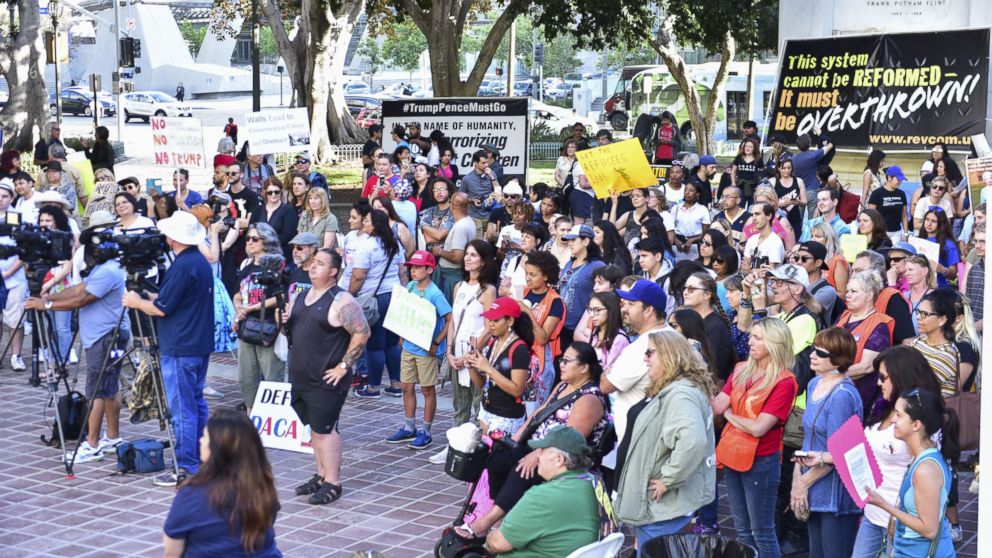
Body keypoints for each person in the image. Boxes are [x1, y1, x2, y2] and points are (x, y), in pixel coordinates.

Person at [461, 341, 608, 539]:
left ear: (584, 367)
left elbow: (570, 439)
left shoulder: (590, 398)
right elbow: (539, 413)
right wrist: (516, 437)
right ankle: (504, 517)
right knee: (497, 455)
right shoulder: (564, 385)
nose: (561, 364)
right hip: (539, 445)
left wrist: (538, 454)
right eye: (561, 359)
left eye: (567, 361)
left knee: (522, 470)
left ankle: (484, 524)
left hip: (566, 457)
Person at [25, 218, 130, 462]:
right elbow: (80, 289)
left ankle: (91, 444)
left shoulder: (108, 270)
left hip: (105, 338)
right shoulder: (104, 268)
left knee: (95, 392)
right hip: (104, 337)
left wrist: (48, 304)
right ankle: (113, 438)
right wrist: (51, 295)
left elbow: (84, 299)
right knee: (109, 388)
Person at [123, 211, 214, 486]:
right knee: (195, 402)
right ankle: (198, 456)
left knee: (182, 407)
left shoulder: (184, 265)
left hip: (180, 345)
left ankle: (185, 465)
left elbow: (161, 309)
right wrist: (150, 296)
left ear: (173, 238)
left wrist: (136, 302)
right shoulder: (197, 261)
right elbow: (174, 298)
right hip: (196, 343)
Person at [613, 331, 715, 554]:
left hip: (662, 507)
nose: (645, 358)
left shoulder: (681, 395)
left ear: (670, 356)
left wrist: (668, 479)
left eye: (650, 353)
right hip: (660, 507)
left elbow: (693, 441)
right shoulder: (673, 389)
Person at [285, 249, 370, 505]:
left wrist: (344, 366)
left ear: (333, 271)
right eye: (313, 263)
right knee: (314, 427)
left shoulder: (341, 300)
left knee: (326, 429)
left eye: (320, 264)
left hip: (327, 378)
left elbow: (362, 333)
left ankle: (333, 481)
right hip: (302, 375)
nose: (313, 267)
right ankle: (321, 474)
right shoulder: (300, 296)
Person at [713, 318, 799, 558]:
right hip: (733, 454)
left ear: (774, 343)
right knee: (742, 530)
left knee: (761, 531)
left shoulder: (785, 381)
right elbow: (717, 405)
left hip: (761, 460)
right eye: (752, 336)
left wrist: (730, 415)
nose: (750, 341)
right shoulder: (741, 368)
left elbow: (759, 428)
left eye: (758, 338)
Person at [163, 409, 280, 557]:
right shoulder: (262, 487)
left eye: (205, 437)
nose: (200, 440)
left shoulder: (191, 494)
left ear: (218, 449)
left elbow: (172, 552)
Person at [790, 327, 863, 558]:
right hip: (813, 483)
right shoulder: (813, 384)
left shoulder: (842, 394)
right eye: (814, 349)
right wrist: (797, 478)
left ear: (838, 360)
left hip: (835, 492)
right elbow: (808, 438)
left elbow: (839, 452)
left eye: (820, 353)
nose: (812, 355)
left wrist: (802, 484)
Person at [864, 389, 958, 558]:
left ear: (916, 425)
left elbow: (929, 530)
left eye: (899, 415)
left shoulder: (925, 469)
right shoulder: (921, 457)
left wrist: (884, 505)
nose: (892, 419)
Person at [484, 426, 601, 557]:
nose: (537, 455)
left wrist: (490, 536)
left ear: (559, 459)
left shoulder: (542, 496)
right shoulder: (591, 484)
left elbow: (497, 543)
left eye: (542, 450)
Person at [386, 251, 450, 450]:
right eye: (411, 267)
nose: (413, 271)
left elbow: (449, 317)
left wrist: (437, 343)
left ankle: (426, 431)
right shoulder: (411, 286)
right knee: (406, 386)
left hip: (425, 350)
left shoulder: (435, 294)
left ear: (429, 270)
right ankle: (409, 427)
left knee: (427, 389)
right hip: (409, 347)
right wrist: (401, 335)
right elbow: (404, 310)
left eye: (417, 267)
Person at [604, 280, 669, 442]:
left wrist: (608, 368)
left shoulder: (641, 347)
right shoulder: (672, 335)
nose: (624, 308)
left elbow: (606, 385)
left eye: (631, 304)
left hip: (636, 440)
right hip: (652, 435)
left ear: (648, 310)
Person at [233, 223, 286, 412]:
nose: (250, 242)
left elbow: (283, 294)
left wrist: (253, 307)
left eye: (255, 239)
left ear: (267, 240)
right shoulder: (246, 265)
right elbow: (238, 293)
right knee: (247, 378)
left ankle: (272, 420)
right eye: (248, 238)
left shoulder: (277, 264)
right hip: (246, 327)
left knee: (272, 378)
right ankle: (252, 418)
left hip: (268, 327)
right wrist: (239, 308)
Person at [351, 210, 403, 399]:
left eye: (367, 221)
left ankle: (373, 387)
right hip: (395, 295)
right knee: (391, 343)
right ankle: (396, 384)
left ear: (376, 225)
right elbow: (402, 271)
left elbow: (358, 276)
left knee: (374, 344)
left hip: (375, 299)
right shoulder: (394, 244)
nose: (364, 224)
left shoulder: (367, 246)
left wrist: (349, 294)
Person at [834, 271, 893, 414]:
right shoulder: (845, 315)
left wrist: (832, 375)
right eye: (847, 291)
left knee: (845, 435)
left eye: (854, 291)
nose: (847, 295)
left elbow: (866, 367)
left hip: (859, 398)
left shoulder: (879, 325)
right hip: (835, 392)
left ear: (869, 295)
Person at [852, 250, 915, 345]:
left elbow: (907, 341)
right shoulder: (850, 297)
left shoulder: (893, 299)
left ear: (876, 272)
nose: (853, 276)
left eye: (859, 271)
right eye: (852, 271)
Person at [558, 224, 605, 349]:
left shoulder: (597, 265)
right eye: (569, 240)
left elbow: (603, 295)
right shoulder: (570, 262)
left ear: (585, 241)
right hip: (560, 323)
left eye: (573, 240)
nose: (570, 244)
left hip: (579, 326)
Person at [909, 289, 961, 399]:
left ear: (942, 320)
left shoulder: (946, 354)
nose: (918, 317)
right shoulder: (919, 341)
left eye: (924, 314)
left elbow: (916, 387)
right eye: (918, 312)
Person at [433, 192, 475, 301]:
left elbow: (457, 257)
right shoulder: (468, 221)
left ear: (452, 207)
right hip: (452, 275)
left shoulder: (461, 227)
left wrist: (439, 252)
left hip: (451, 277)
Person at [797, 241, 839, 324]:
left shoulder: (827, 290)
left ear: (818, 263)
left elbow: (810, 310)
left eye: (804, 259)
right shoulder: (792, 283)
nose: (798, 262)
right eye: (796, 257)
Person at [459, 149, 500, 236]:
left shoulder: (491, 174)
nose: (487, 165)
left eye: (487, 162)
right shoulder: (467, 179)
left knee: (491, 240)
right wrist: (472, 200)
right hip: (474, 216)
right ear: (476, 163)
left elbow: (498, 192)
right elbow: (460, 198)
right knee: (478, 242)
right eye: (483, 163)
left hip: (490, 214)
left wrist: (492, 177)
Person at [918, 209, 959, 288]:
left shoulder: (949, 245)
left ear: (941, 224)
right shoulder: (918, 240)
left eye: (933, 221)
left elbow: (953, 274)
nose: (929, 224)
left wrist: (943, 270)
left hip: (939, 289)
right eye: (927, 219)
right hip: (919, 287)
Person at [259, 177, 298, 260]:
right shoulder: (258, 209)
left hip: (281, 254)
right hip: (260, 254)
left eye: (276, 192)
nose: (273, 195)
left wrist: (267, 245)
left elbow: (288, 234)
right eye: (270, 192)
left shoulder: (288, 210)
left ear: (281, 192)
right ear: (265, 193)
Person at [868, 166, 909, 244]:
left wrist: (906, 234)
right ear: (889, 178)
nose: (900, 182)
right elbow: (871, 215)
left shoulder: (902, 194)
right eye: (898, 179)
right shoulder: (877, 193)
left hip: (897, 232)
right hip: (880, 233)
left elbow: (904, 216)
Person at [791, 133, 834, 206]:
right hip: (813, 191)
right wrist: (820, 134)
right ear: (809, 144)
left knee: (798, 216)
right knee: (813, 217)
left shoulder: (793, 159)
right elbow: (830, 145)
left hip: (799, 191)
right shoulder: (814, 155)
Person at [672, 183, 710, 261]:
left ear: (697, 194)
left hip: (695, 243)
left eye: (691, 190)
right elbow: (670, 229)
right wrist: (676, 240)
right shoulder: (676, 208)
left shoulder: (702, 209)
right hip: (678, 243)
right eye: (685, 190)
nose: (687, 192)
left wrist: (691, 240)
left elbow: (705, 232)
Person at [770, 156, 807, 236]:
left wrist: (798, 202)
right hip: (777, 218)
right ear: (779, 168)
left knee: (795, 240)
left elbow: (804, 202)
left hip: (794, 218)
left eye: (789, 168)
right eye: (784, 168)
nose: (786, 171)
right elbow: (766, 202)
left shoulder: (798, 181)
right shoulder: (773, 182)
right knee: (780, 239)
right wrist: (780, 204)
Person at [742, 202, 785, 270]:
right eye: (752, 215)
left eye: (757, 214)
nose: (753, 218)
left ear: (769, 216)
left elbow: (768, 273)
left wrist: (749, 271)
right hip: (748, 279)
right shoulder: (751, 239)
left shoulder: (775, 242)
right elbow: (744, 268)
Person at [962, 226, 984, 332]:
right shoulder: (974, 269)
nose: (978, 246)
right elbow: (968, 303)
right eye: (976, 241)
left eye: (983, 241)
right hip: (973, 333)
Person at [730, 137, 764, 204]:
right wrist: (733, 183)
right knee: (739, 207)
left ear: (754, 148)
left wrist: (760, 186)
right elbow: (733, 171)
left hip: (754, 187)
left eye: (750, 147)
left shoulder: (758, 159)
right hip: (740, 186)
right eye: (746, 146)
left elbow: (762, 173)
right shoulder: (739, 158)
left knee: (752, 208)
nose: (748, 148)